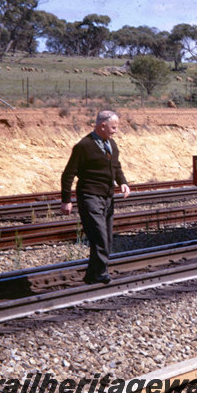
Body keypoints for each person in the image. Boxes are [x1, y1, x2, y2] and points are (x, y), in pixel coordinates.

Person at [61, 110, 131, 284]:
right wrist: (66, 200)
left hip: (108, 197)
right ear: (103, 125)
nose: (116, 131)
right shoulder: (84, 146)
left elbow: (116, 167)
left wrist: (122, 182)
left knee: (105, 237)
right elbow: (68, 174)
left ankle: (92, 275)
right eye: (113, 127)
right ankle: (101, 272)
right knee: (100, 236)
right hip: (89, 196)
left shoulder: (112, 145)